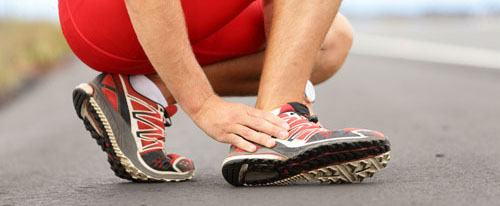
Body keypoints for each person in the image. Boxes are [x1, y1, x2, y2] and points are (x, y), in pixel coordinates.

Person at [59, 0, 391, 186]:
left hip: (126, 25)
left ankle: (141, 92)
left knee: (329, 42)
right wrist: (202, 104)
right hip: (108, 13)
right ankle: (278, 125)